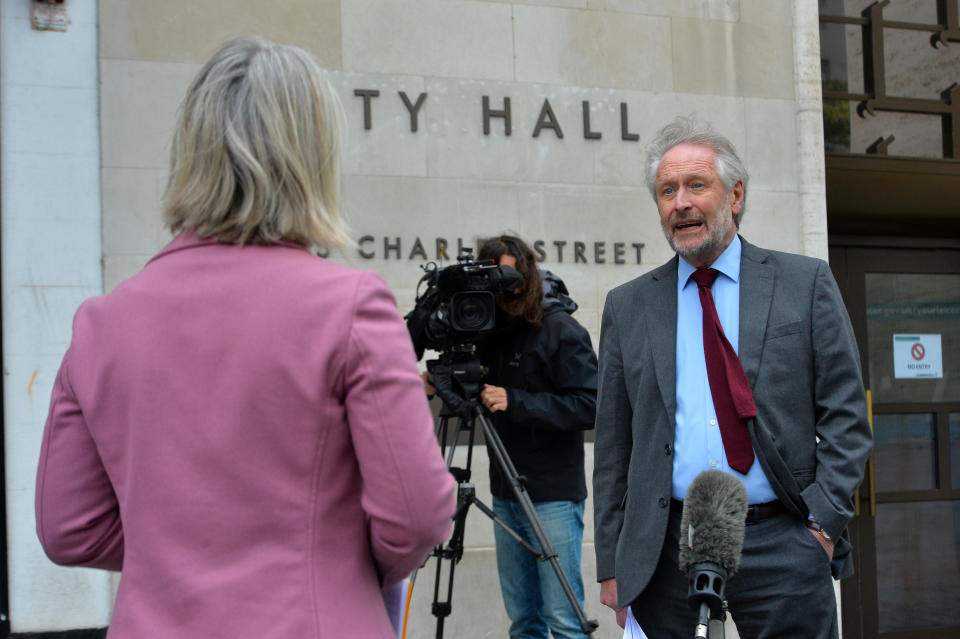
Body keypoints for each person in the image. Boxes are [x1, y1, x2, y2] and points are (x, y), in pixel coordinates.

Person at [35, 37, 455, 639]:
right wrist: (328, 564)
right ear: (312, 156)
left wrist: (181, 558)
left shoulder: (101, 322)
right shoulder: (349, 306)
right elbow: (415, 516)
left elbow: (67, 527)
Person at [592, 116, 873, 639]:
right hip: (667, 549)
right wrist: (612, 561)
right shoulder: (628, 306)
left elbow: (847, 416)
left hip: (784, 541)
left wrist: (822, 523)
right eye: (667, 190)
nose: (681, 203)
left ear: (736, 195)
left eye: (697, 185)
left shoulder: (803, 283)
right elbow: (613, 445)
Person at [436, 235, 597, 639]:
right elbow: (468, 388)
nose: (503, 290)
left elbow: (591, 405)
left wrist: (517, 402)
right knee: (524, 623)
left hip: (553, 497)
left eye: (508, 277)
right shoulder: (491, 332)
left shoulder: (562, 330)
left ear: (526, 276)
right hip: (505, 493)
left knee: (563, 621)